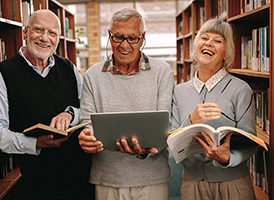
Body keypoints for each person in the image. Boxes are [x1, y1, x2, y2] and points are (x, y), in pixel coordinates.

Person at [0, 9, 92, 200]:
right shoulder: (5, 72)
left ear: (58, 38)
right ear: (25, 32)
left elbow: (89, 109)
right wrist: (35, 143)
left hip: (81, 179)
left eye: (52, 33)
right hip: (37, 185)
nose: (45, 38)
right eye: (38, 30)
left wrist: (70, 114)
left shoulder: (69, 68)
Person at [78, 7, 174, 200]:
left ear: (142, 37)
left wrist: (146, 149)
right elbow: (87, 123)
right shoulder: (92, 76)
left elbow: (167, 125)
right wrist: (86, 137)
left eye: (132, 38)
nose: (125, 45)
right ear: (109, 35)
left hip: (152, 177)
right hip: (108, 178)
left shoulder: (162, 72)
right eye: (118, 37)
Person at [171, 18, 257, 200]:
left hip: (233, 184)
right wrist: (191, 122)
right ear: (196, 46)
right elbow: (172, 140)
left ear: (226, 53)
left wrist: (228, 158)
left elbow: (250, 141)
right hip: (191, 185)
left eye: (218, 41)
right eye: (204, 38)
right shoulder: (179, 91)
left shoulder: (241, 89)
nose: (209, 43)